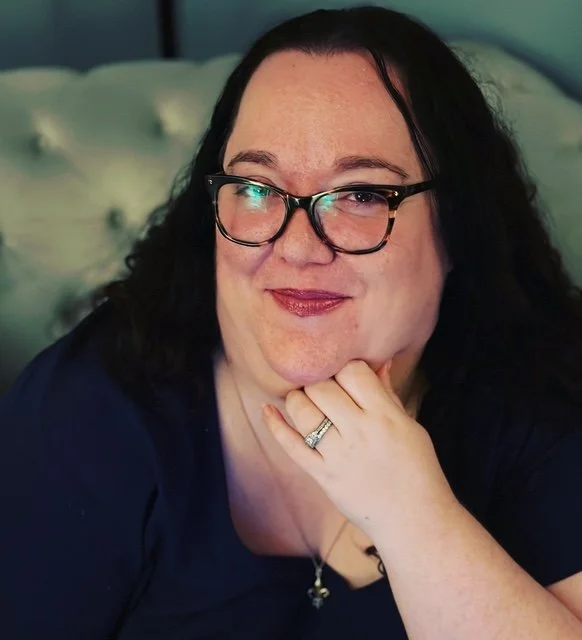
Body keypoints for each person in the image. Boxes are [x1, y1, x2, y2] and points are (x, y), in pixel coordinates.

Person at [1, 5, 582, 639]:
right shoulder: (90, 408)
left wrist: (413, 514)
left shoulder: (542, 394)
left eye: (361, 194)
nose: (299, 247)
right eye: (256, 188)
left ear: (460, 226)